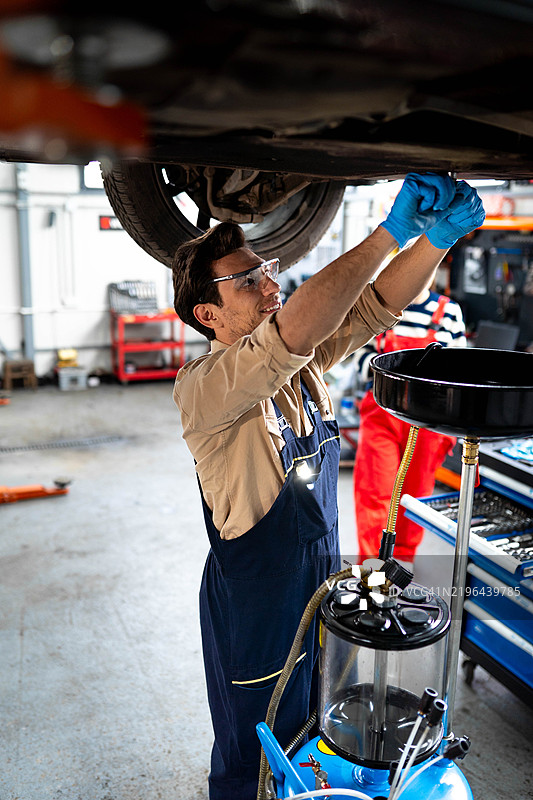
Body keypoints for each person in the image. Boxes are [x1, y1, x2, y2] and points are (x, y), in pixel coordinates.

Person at [171, 173, 485, 800]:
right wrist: (389, 233)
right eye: (249, 280)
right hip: (257, 606)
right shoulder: (204, 389)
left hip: (317, 585)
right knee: (254, 748)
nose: (271, 284)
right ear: (208, 313)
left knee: (314, 733)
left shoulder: (301, 371)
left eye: (268, 268)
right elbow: (293, 333)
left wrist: (435, 242)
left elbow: (372, 308)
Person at [352, 269, 467, 567]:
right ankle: (371, 568)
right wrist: (392, 376)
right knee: (375, 491)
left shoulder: (449, 312)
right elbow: (360, 358)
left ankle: (402, 563)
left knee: (415, 496)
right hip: (383, 414)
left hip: (428, 422)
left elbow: (459, 368)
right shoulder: (381, 307)